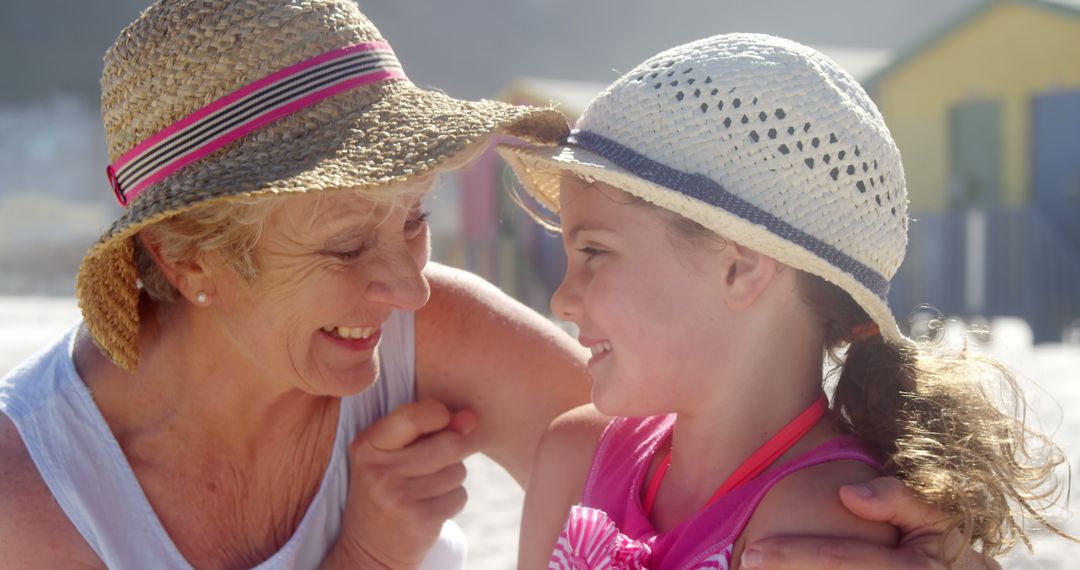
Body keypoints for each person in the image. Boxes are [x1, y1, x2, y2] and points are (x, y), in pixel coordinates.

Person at [0, 2, 1015, 569]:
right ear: (186, 261)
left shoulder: (428, 341)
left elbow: (706, 433)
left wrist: (949, 546)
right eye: (349, 248)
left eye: (417, 219)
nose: (409, 286)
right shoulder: (29, 504)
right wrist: (362, 553)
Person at [498, 33, 1075, 569]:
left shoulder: (818, 522)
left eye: (594, 252)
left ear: (740, 268)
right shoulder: (574, 453)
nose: (562, 299)